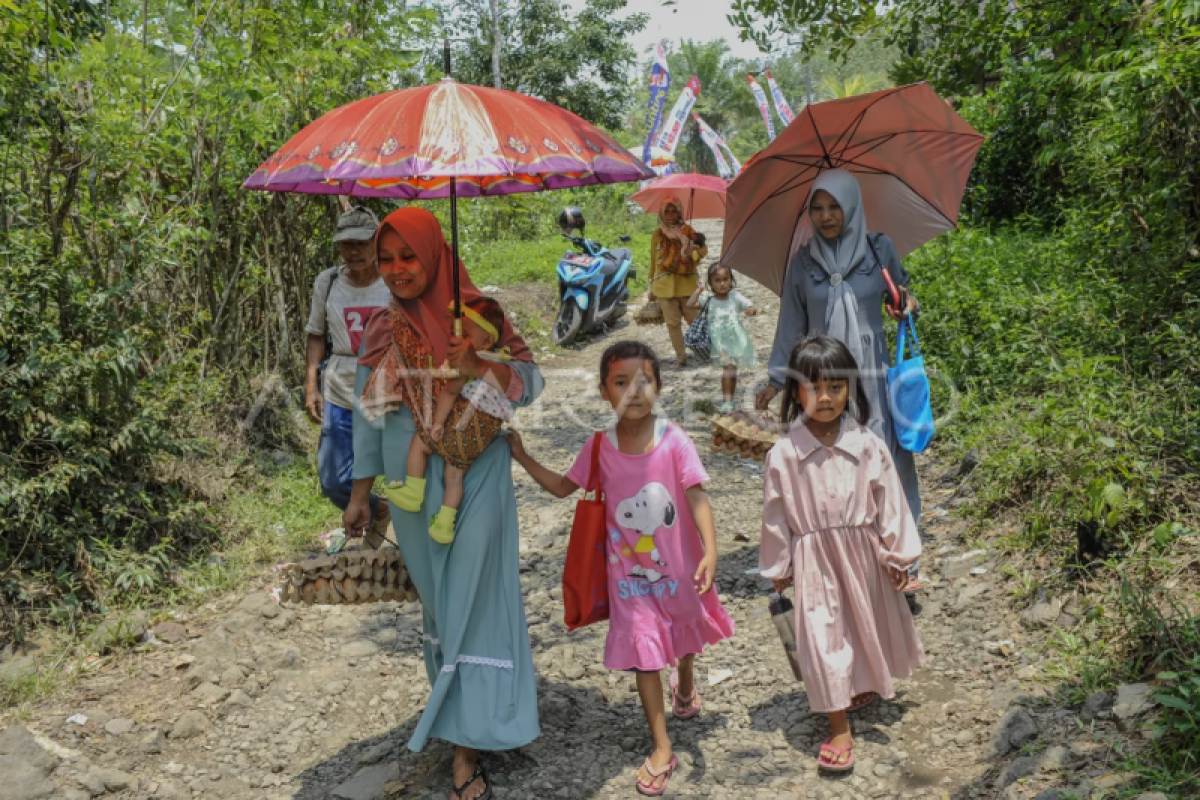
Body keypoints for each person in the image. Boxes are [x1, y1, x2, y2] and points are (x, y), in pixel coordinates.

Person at [343, 207, 543, 800]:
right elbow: (366, 417)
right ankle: (459, 714)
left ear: (434, 255)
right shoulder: (382, 328)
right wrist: (360, 495)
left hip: (476, 468)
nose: (397, 269)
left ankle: (466, 749)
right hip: (411, 479)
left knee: (473, 594)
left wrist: (479, 363)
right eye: (386, 258)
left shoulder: (479, 314)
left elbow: (530, 380)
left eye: (409, 256)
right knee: (438, 598)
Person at [509, 340, 734, 796]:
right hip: (629, 584)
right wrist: (522, 454)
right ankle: (662, 745)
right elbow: (561, 488)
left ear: (660, 387)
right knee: (645, 656)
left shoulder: (676, 443)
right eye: (621, 382)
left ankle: (685, 681)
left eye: (644, 380)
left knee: (686, 632)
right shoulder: (599, 448)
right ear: (603, 392)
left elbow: (696, 497)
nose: (634, 390)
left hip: (682, 570)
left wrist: (710, 551)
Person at [759, 335, 924, 772]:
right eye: (814, 388)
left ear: (851, 388)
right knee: (822, 634)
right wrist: (780, 565)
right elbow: (775, 512)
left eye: (836, 386)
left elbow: (890, 500)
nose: (826, 397)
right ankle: (838, 726)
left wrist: (898, 556)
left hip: (863, 553)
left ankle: (857, 682)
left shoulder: (867, 443)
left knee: (859, 619)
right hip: (813, 556)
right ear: (796, 392)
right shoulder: (783, 453)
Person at [755, 169, 924, 593]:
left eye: (834, 207)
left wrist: (905, 303)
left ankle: (903, 563)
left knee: (885, 458)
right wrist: (778, 379)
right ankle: (848, 563)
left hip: (870, 373)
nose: (826, 216)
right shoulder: (804, 261)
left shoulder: (877, 248)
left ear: (851, 207)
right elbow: (792, 321)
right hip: (823, 378)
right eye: (817, 208)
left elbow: (903, 296)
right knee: (832, 466)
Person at [388, 296, 514, 545]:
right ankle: (445, 524)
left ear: (487, 340)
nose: (457, 340)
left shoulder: (469, 363)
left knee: (420, 443)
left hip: (459, 427)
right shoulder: (501, 364)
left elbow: (449, 392)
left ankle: (413, 491)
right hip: (477, 441)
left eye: (465, 334)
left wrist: (436, 424)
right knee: (454, 477)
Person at [304, 205, 393, 545]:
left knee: (405, 470)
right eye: (346, 244)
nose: (354, 250)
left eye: (362, 242)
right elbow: (315, 334)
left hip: (387, 390)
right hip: (339, 387)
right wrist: (312, 385)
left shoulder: (393, 281)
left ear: (377, 243)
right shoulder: (327, 282)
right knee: (333, 480)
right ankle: (379, 508)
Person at [687, 263, 758, 412]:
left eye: (725, 279)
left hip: (735, 340)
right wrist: (698, 290)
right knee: (728, 368)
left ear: (731, 280)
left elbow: (750, 307)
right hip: (720, 343)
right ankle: (727, 401)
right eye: (717, 280)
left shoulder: (735, 297)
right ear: (710, 283)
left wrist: (750, 311)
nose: (722, 283)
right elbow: (690, 303)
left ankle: (730, 399)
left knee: (732, 370)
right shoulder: (709, 300)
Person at [647, 197, 708, 368]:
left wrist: (690, 250)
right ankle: (681, 358)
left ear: (680, 212)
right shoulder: (657, 234)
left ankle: (704, 350)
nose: (671, 215)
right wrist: (651, 286)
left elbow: (703, 250)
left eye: (674, 211)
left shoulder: (688, 231)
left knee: (694, 320)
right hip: (664, 286)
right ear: (662, 213)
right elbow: (654, 261)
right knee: (672, 324)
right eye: (667, 211)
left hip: (687, 284)